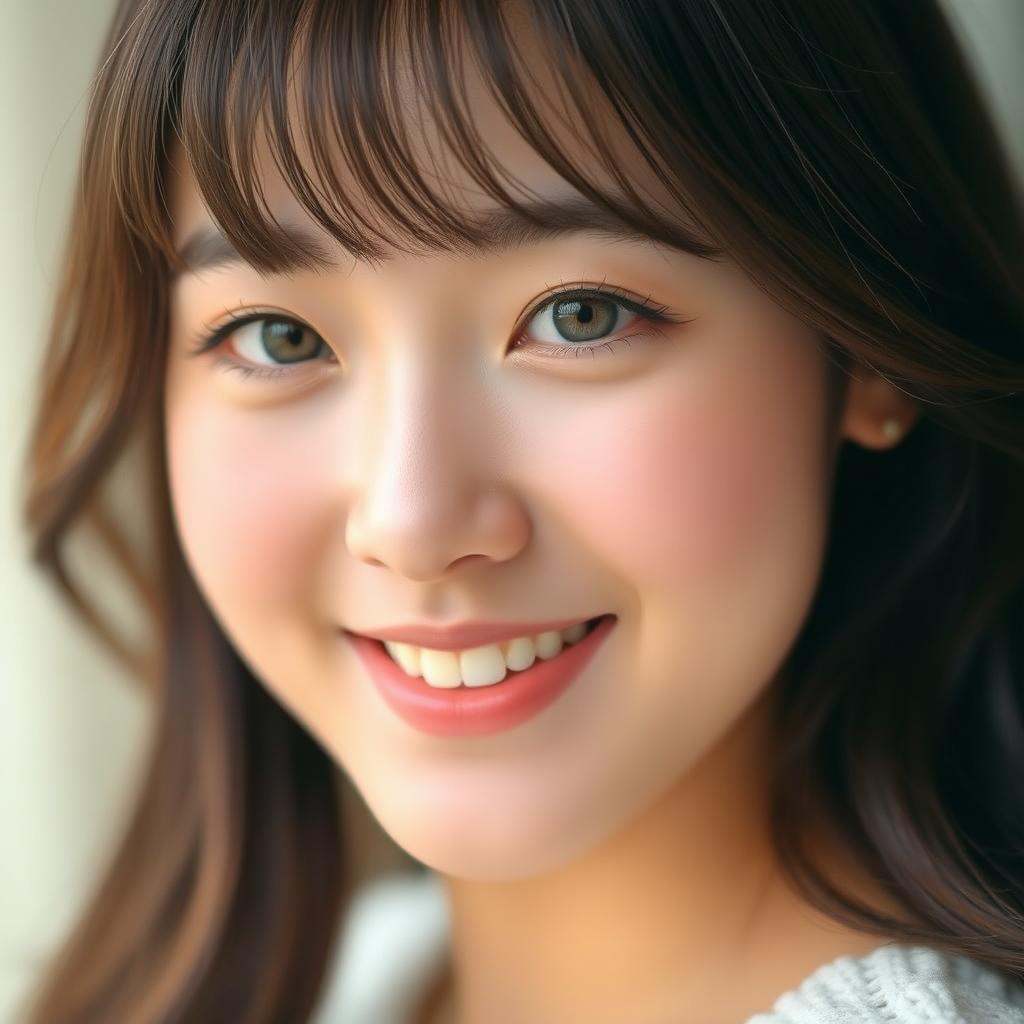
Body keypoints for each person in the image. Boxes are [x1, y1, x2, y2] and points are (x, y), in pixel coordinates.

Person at [18, 0, 1024, 1021]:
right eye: (279, 336)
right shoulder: (352, 979)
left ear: (870, 350)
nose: (413, 521)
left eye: (578, 316)